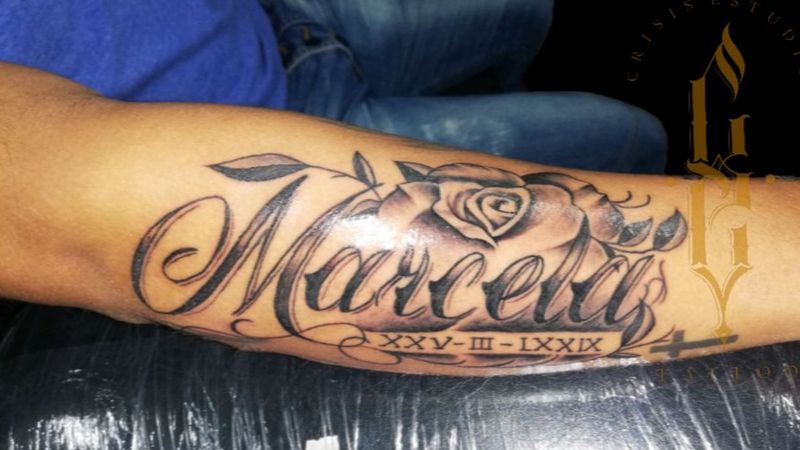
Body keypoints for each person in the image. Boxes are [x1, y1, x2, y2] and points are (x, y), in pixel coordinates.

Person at [0, 1, 797, 376]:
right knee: (628, 135)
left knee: (524, 14)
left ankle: (496, 95)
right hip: (293, 125)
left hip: (286, 15)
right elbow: (96, 205)